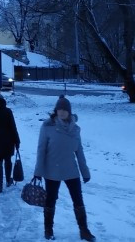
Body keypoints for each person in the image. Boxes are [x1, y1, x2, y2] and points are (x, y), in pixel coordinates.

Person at [33, 96, 95, 241]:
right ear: (56, 110)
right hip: (52, 171)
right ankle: (48, 230)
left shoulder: (75, 129)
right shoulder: (47, 127)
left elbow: (79, 151)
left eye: (64, 110)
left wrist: (85, 172)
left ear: (69, 112)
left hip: (71, 170)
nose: (61, 112)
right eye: (59, 109)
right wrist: (38, 172)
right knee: (50, 200)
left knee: (78, 200)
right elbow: (41, 150)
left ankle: (84, 230)